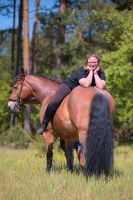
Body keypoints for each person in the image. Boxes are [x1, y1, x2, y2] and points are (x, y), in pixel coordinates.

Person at [37, 54, 106, 135]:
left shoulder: (100, 73)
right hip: (69, 86)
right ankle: (44, 124)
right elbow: (86, 84)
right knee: (55, 102)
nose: (92, 64)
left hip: (81, 93)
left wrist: (95, 73)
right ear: (86, 63)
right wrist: (91, 71)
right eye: (90, 62)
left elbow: (100, 86)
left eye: (95, 62)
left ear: (98, 63)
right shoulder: (81, 71)